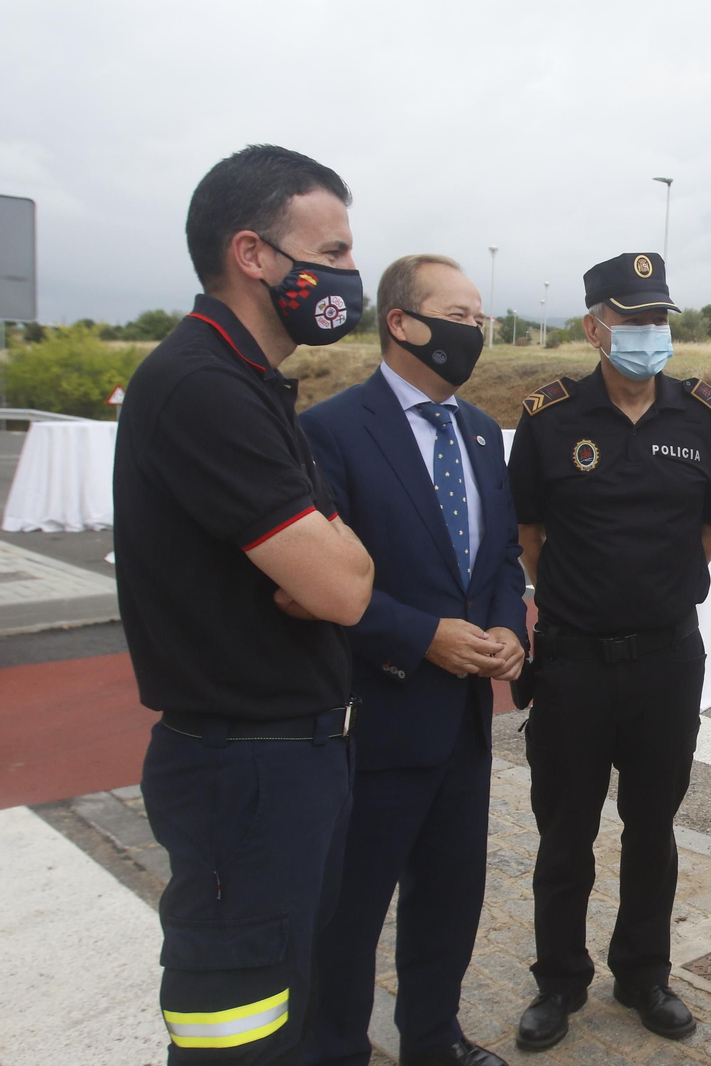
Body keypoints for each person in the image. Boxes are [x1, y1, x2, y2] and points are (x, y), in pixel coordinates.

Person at [113, 144, 375, 1064]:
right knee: (240, 1032)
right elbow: (344, 583)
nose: (349, 274)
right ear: (254, 254)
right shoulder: (201, 386)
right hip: (243, 770)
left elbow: (332, 575)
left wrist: (327, 567)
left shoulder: (254, 384)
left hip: (290, 758)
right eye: (333, 251)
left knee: (294, 1012)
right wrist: (329, 568)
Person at [507, 252, 711, 1051]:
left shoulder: (702, 416)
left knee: (654, 826)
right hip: (573, 662)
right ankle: (558, 982)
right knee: (565, 832)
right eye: (631, 319)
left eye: (658, 319)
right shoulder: (547, 417)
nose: (648, 333)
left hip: (667, 662)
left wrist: (658, 586)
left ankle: (644, 973)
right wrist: (586, 598)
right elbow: (529, 537)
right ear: (594, 327)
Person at [299, 254, 528, 1066]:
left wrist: (511, 631)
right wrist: (420, 635)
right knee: (348, 917)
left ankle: (434, 1040)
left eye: (481, 319)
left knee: (449, 901)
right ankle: (337, 1052)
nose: (476, 332)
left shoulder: (477, 429)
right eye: (460, 315)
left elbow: (499, 557)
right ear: (403, 322)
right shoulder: (331, 431)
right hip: (375, 718)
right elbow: (317, 585)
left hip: (464, 727)